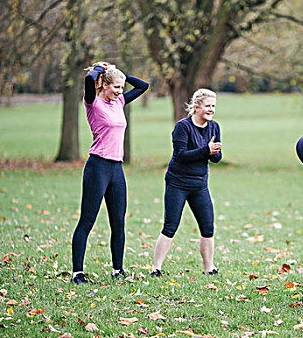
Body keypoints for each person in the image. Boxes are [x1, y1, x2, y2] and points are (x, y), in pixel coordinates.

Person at [71, 62, 149, 284]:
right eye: (115, 87)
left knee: (119, 222)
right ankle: (77, 272)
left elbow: (143, 86)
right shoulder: (92, 103)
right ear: (103, 85)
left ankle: (118, 270)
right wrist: (98, 67)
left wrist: (122, 74)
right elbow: (88, 80)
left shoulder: (120, 102)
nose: (119, 91)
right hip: (98, 168)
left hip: (116, 169)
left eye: (122, 87)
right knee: (87, 220)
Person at [150, 89, 222, 277]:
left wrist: (213, 153)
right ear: (196, 107)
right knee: (170, 227)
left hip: (200, 185)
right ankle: (156, 268)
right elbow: (181, 156)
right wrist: (206, 151)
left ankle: (209, 268)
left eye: (213, 106)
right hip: (178, 183)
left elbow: (216, 158)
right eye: (208, 106)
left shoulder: (214, 127)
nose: (211, 109)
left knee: (208, 227)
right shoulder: (183, 127)